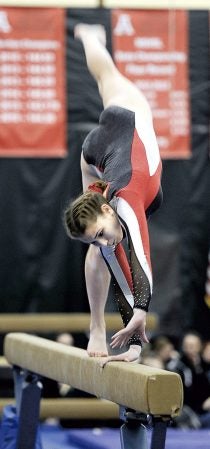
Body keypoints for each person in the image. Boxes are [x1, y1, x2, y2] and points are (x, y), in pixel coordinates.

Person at [64, 24, 162, 365]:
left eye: (102, 233)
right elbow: (118, 264)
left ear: (108, 211)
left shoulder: (126, 200)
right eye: (98, 237)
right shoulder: (104, 218)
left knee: (107, 74)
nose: (106, 241)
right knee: (102, 253)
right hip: (94, 159)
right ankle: (95, 327)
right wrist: (135, 335)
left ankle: (91, 36)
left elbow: (141, 259)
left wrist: (140, 312)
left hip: (125, 116)